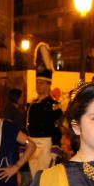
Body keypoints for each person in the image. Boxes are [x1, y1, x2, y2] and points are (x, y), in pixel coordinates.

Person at [25, 42, 63, 174]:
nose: (38, 85)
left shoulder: (54, 105)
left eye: (41, 83)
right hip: (32, 145)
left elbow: (57, 128)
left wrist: (55, 148)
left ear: (48, 85)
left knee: (45, 180)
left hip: (47, 145)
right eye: (37, 82)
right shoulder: (31, 104)